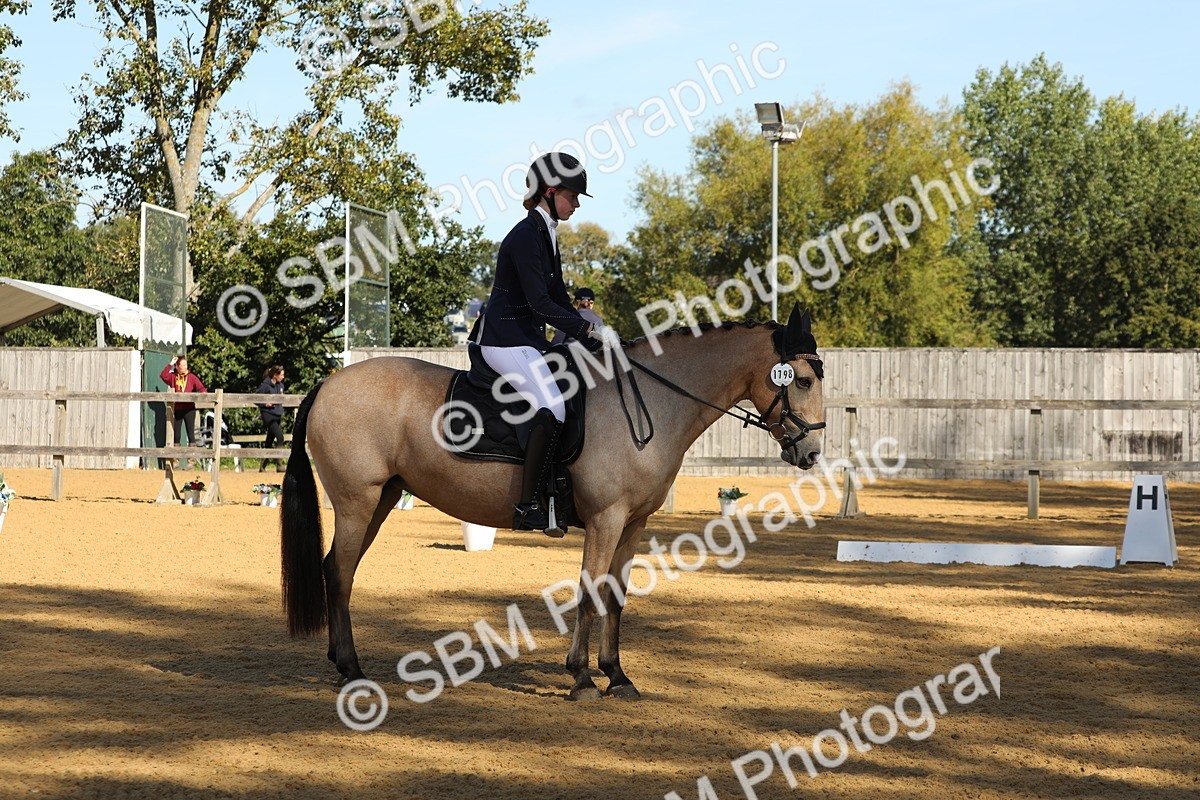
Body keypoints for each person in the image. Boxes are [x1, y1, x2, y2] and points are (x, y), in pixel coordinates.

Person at [473, 152, 618, 535]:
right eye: (573, 197)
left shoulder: (546, 234)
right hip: (505, 341)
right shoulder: (525, 236)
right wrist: (587, 330)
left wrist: (588, 333)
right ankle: (526, 506)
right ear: (550, 192)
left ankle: (557, 494)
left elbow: (558, 298)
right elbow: (539, 304)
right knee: (552, 405)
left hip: (527, 340)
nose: (576, 204)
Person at [160, 355, 207, 468]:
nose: (185, 367)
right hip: (178, 409)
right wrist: (170, 363)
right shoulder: (173, 377)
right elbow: (163, 375)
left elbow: (201, 388)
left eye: (186, 365)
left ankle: (191, 460)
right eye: (183, 365)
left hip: (189, 409)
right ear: (177, 367)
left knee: (191, 434)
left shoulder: (191, 377)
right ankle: (175, 460)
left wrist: (203, 394)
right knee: (176, 435)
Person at [256, 365, 286, 472]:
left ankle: (262, 466)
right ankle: (279, 465)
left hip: (277, 414)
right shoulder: (265, 385)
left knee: (269, 441)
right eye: (281, 375)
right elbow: (256, 398)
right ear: (275, 375)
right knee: (280, 437)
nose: (283, 377)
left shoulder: (280, 386)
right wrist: (265, 404)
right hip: (268, 414)